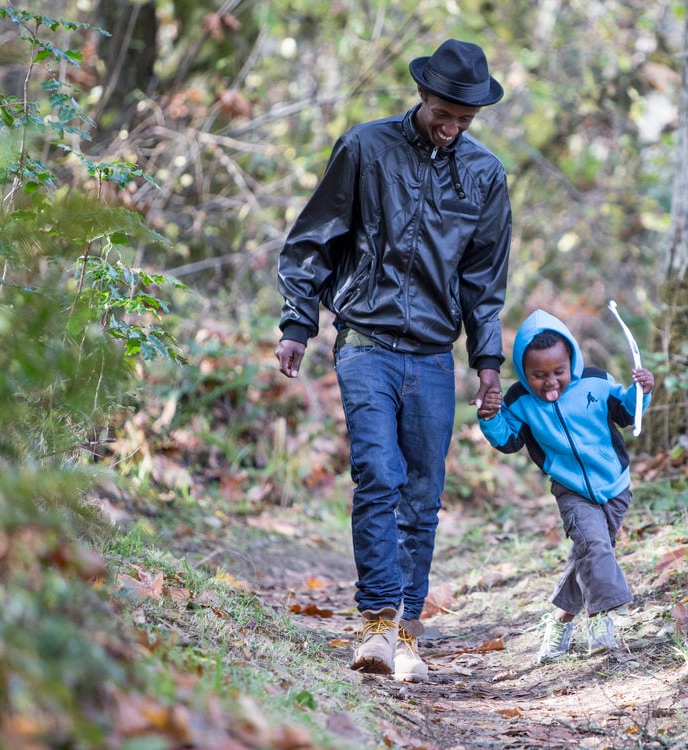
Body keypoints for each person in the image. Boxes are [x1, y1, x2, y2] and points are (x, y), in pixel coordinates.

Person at [274, 39, 511, 683]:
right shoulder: (365, 149)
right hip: (366, 343)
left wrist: (488, 363)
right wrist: (299, 322)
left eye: (467, 117)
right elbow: (313, 240)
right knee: (377, 474)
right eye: (447, 109)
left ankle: (408, 628)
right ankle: (377, 623)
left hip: (434, 355)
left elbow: (484, 282)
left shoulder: (485, 176)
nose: (454, 124)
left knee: (422, 495)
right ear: (424, 94)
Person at [476, 309, 654, 662]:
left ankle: (559, 621)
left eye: (559, 371)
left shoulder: (595, 382)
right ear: (524, 374)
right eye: (538, 375)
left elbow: (625, 411)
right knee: (595, 548)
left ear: (571, 360)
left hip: (615, 486)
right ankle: (601, 621)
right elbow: (508, 440)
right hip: (571, 490)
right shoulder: (521, 402)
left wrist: (641, 391)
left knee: (590, 554)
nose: (550, 382)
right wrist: (490, 416)